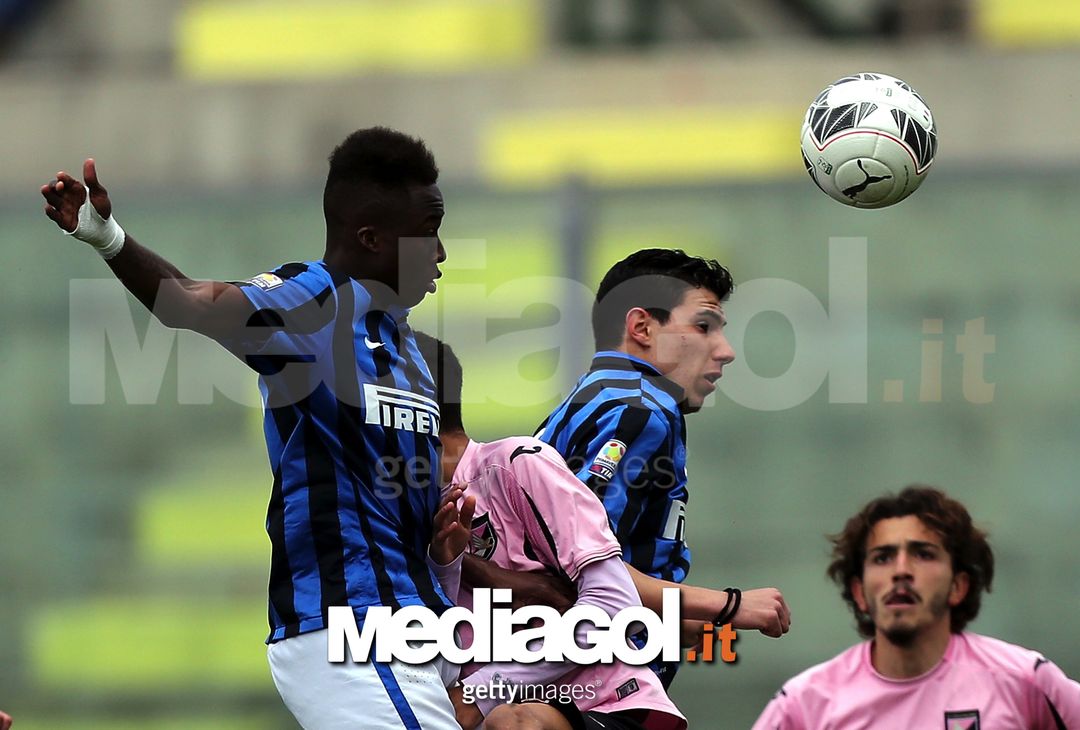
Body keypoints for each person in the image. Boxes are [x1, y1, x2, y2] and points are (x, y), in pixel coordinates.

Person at [41, 128, 463, 729]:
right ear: (371, 238)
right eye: (428, 233)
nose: (440, 252)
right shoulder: (311, 304)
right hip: (347, 628)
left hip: (421, 628)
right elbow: (190, 303)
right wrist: (108, 238)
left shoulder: (407, 348)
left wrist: (443, 543)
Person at [531, 248, 790, 686]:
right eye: (704, 326)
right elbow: (579, 564)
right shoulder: (640, 410)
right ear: (642, 328)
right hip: (590, 684)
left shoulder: (593, 398)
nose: (726, 351)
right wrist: (729, 604)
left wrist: (678, 621)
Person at [416, 331, 687, 730]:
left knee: (511, 724)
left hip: (604, 704)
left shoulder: (517, 463)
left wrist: (481, 692)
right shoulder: (402, 507)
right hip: (486, 709)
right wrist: (450, 566)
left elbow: (614, 604)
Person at [753, 485, 1080, 729]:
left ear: (958, 586)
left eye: (923, 554)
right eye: (883, 557)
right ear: (859, 592)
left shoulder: (1025, 681)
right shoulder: (806, 704)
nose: (901, 571)